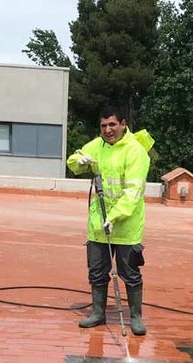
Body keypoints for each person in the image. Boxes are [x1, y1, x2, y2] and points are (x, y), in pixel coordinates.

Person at [67, 105, 154, 335]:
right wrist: (80, 161)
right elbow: (73, 161)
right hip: (99, 223)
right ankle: (98, 313)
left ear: (123, 124)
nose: (107, 130)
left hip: (127, 224)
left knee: (130, 273)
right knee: (97, 270)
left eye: (112, 125)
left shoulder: (135, 152)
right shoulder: (97, 146)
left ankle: (135, 317)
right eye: (104, 125)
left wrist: (115, 216)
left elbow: (133, 192)